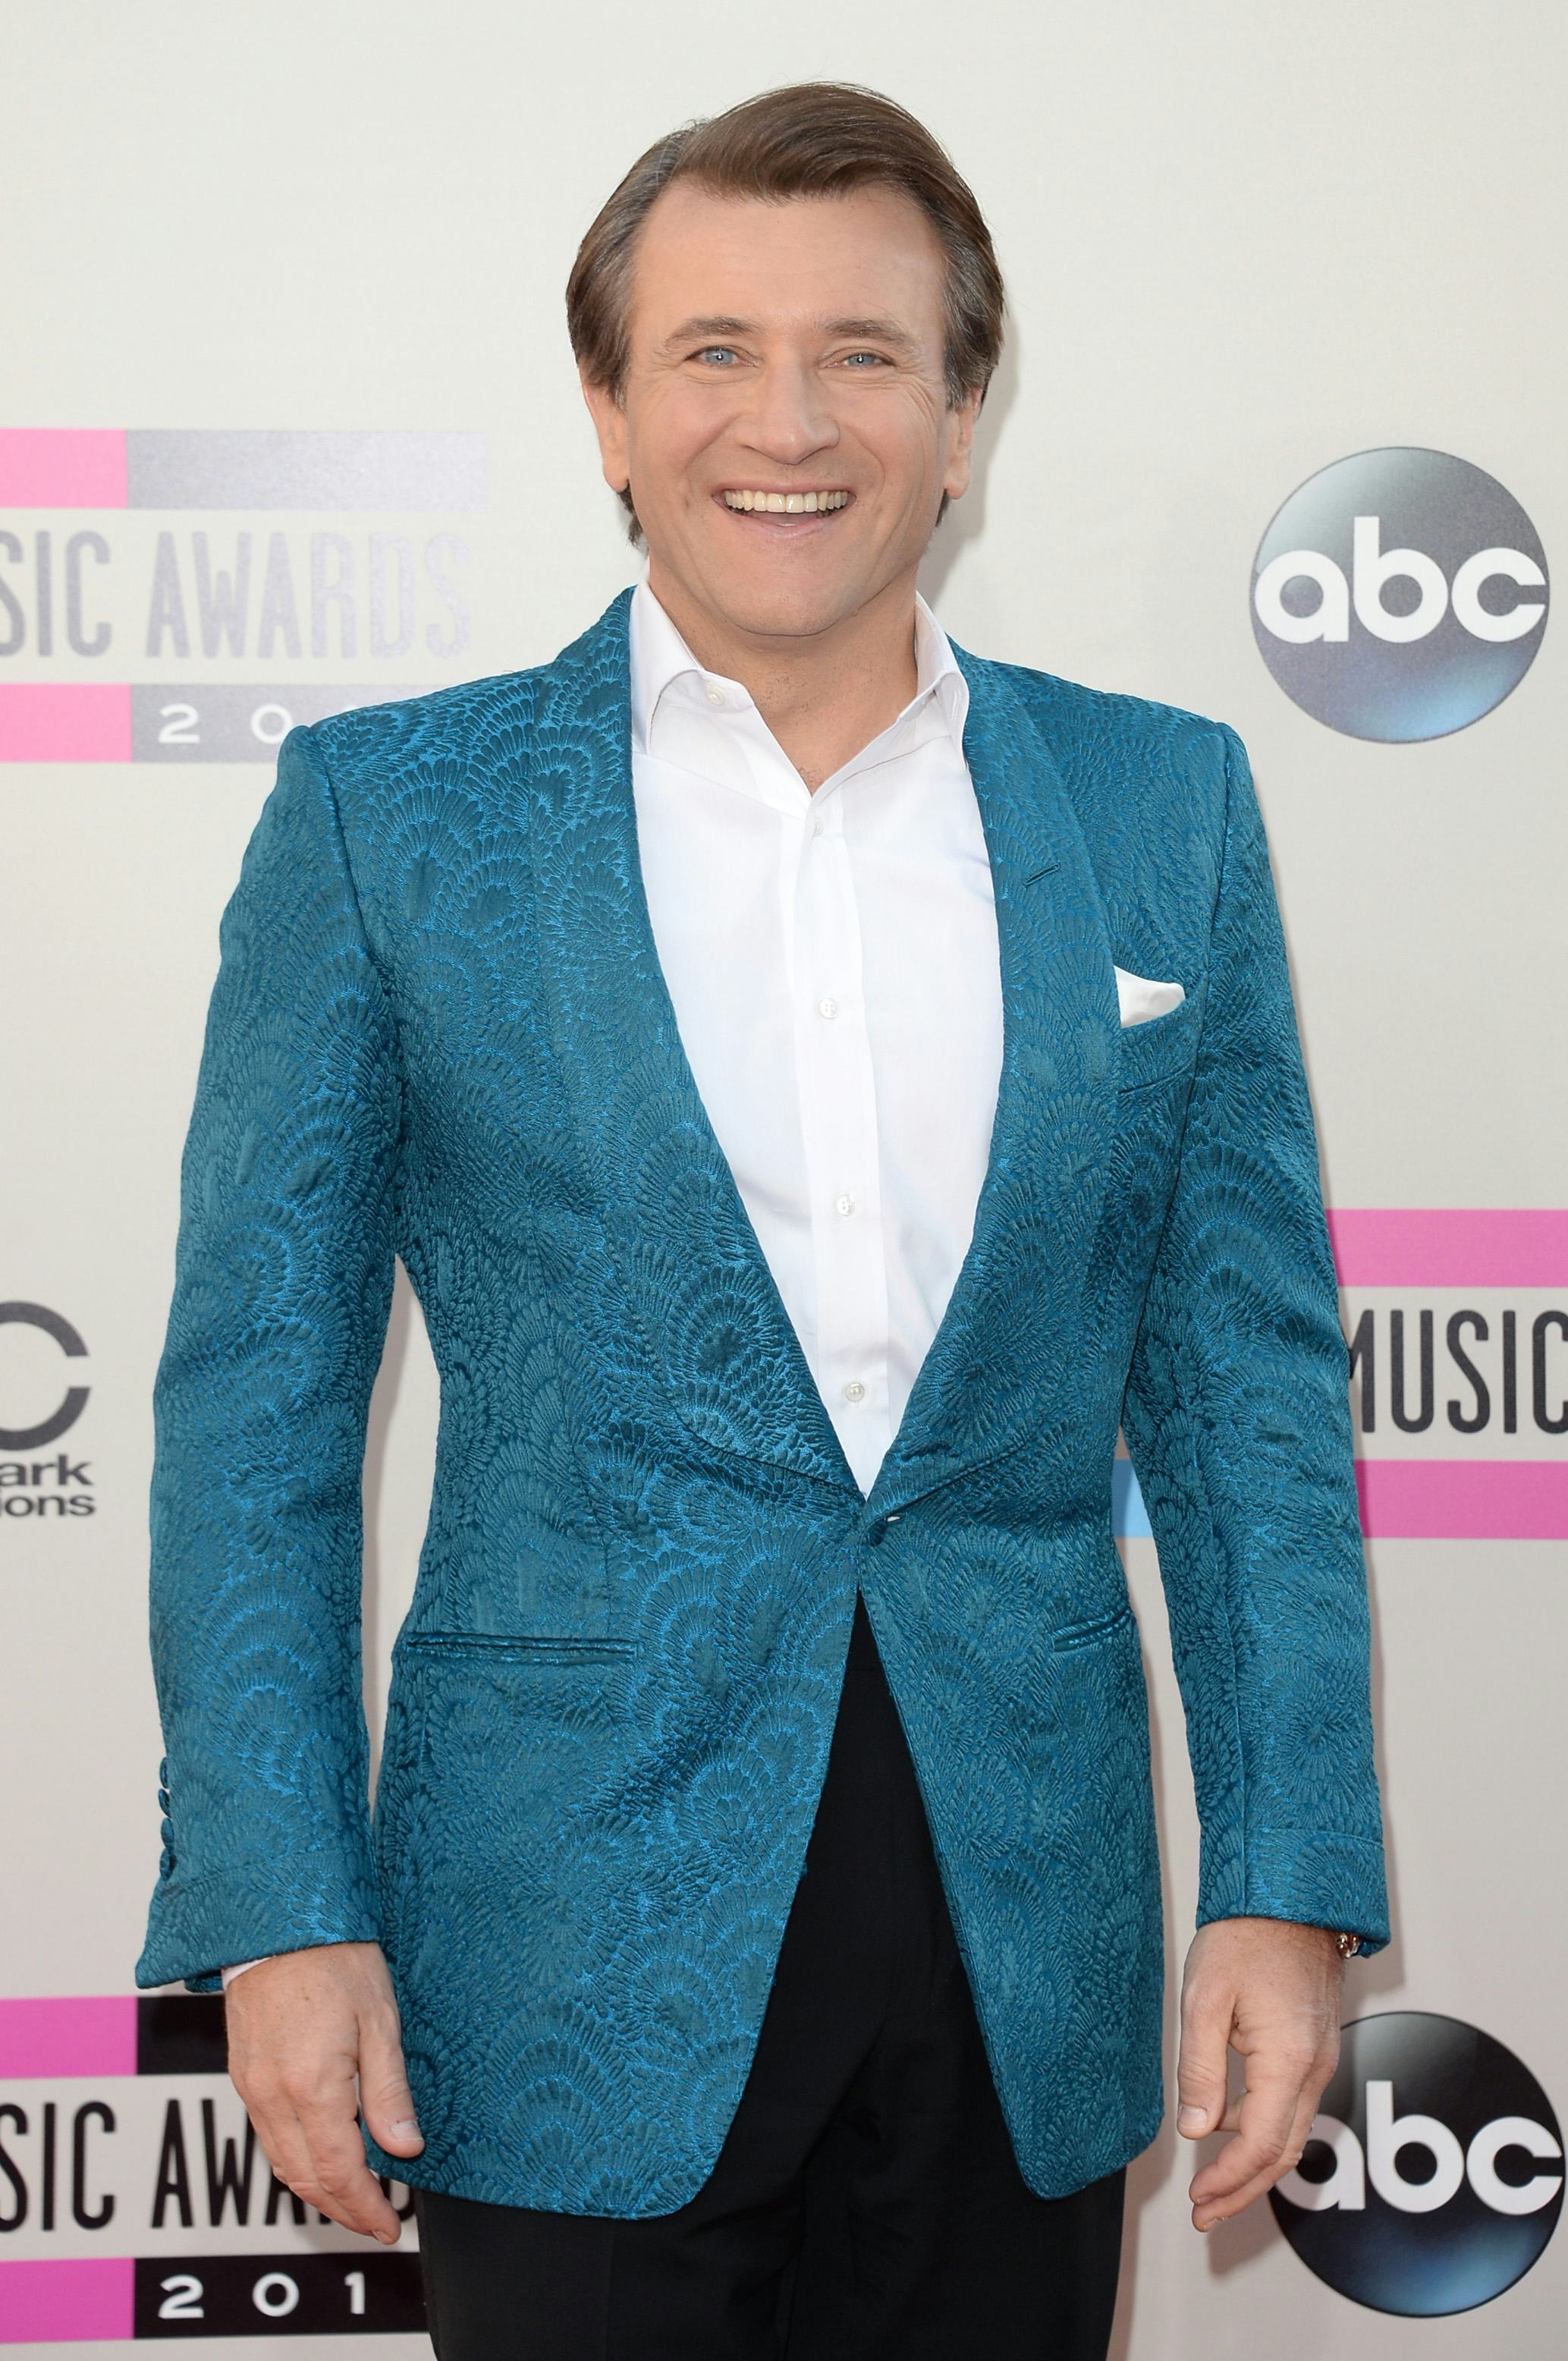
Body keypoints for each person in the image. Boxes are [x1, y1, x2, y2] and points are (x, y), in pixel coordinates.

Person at [137, 81, 1389, 2361]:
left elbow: (1249, 1405)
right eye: (712, 351)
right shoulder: (388, 819)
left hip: (1022, 1936)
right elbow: (257, 1415)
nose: (785, 423)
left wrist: (1286, 1878)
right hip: (556, 1937)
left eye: (861, 355)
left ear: (961, 414)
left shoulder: (1159, 803)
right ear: (608, 411)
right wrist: (280, 1905)